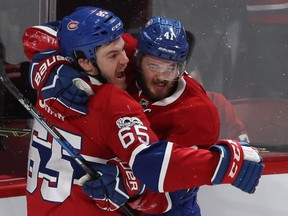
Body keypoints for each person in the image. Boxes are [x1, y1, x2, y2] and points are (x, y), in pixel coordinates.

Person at [24, 7, 264, 216]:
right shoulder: (123, 54)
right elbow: (60, 34)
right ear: (137, 57)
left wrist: (131, 184)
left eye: (172, 68)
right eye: (153, 66)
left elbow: (174, 192)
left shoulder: (199, 114)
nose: (161, 77)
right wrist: (51, 64)